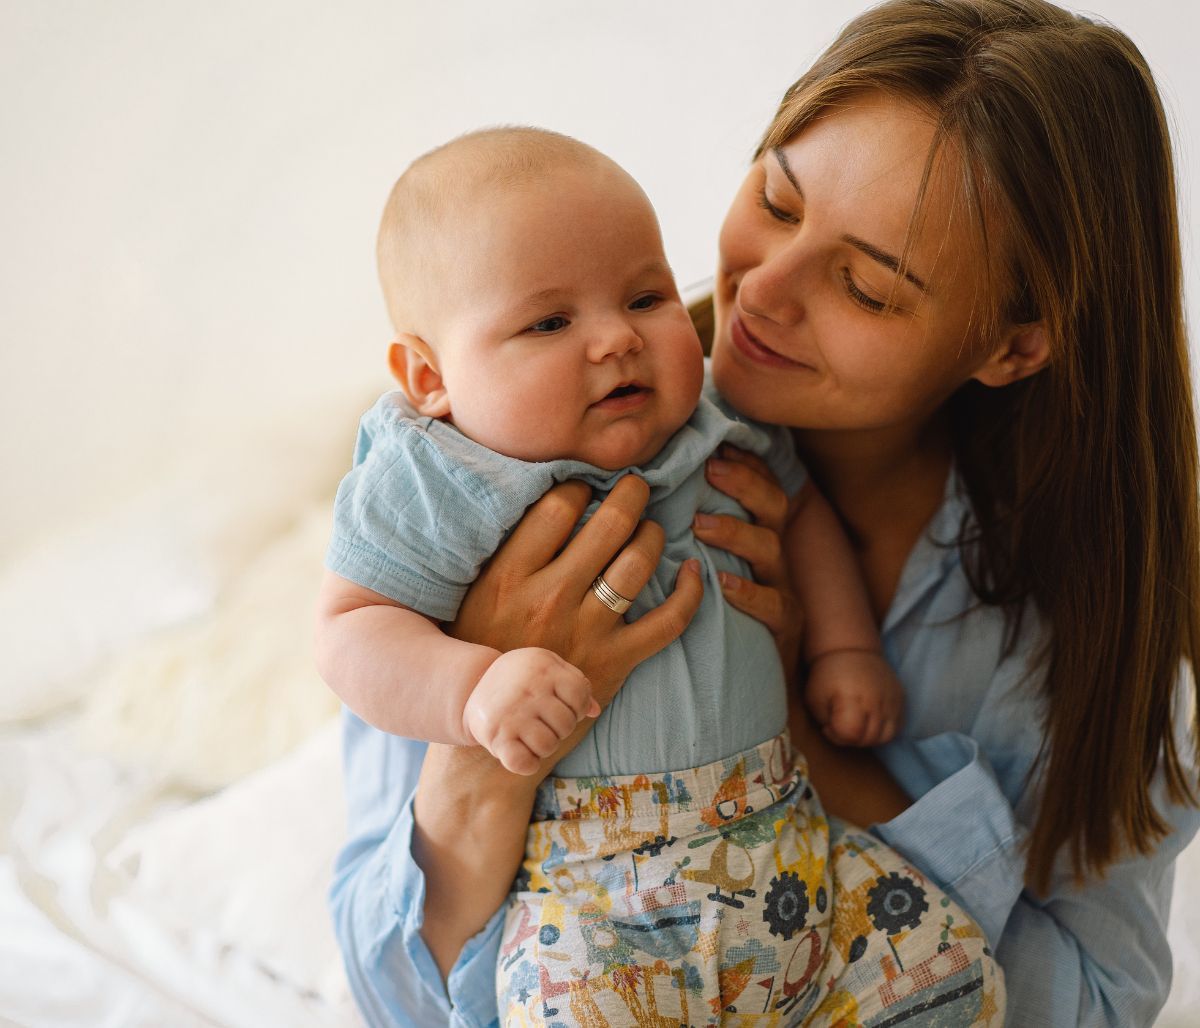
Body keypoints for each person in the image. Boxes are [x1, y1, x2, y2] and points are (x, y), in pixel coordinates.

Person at [327, 1, 1200, 1025]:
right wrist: (482, 732)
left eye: (868, 287)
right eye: (777, 202)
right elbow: (397, 995)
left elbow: (1099, 1002)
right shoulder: (503, 464)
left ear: (1010, 346)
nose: (763, 292)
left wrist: (804, 742)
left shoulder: (1072, 628)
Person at [317, 128, 1000, 1024]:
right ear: (430, 376)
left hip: (790, 858)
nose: (616, 341)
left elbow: (800, 520)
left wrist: (840, 647)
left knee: (948, 966)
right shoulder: (440, 477)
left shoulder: (717, 420)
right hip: (599, 908)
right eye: (549, 322)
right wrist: (474, 686)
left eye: (647, 296)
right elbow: (350, 629)